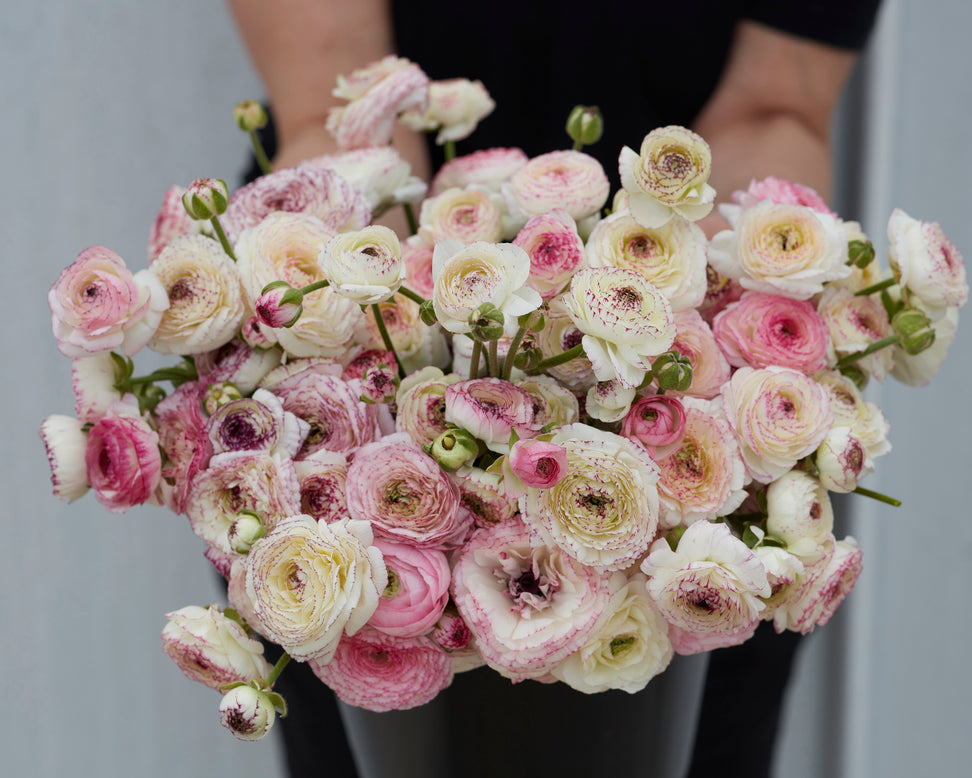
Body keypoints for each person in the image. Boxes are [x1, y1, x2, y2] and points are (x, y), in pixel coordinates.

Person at [226, 1, 883, 776]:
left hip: (683, 287)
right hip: (379, 254)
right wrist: (380, 342)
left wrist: (711, 357)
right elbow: (330, 108)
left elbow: (778, 104)